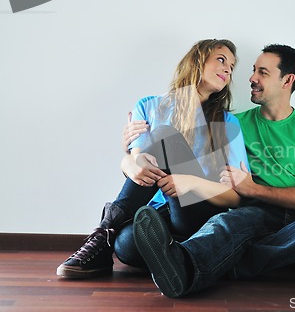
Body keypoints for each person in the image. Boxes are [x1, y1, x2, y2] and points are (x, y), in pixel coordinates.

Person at [126, 44, 295, 298]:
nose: (251, 78)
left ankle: (224, 262)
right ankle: (194, 269)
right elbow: (177, 148)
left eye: (263, 72)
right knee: (226, 223)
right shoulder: (231, 123)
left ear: (287, 80)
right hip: (253, 214)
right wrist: (131, 146)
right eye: (254, 70)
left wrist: (253, 188)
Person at [56, 39, 250, 278]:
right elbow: (138, 165)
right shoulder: (148, 106)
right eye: (221, 60)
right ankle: (177, 257)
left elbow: (237, 195)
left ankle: (103, 234)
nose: (228, 69)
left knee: (165, 136)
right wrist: (127, 161)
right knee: (125, 245)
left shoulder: (227, 123)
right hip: (158, 213)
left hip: (198, 213)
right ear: (197, 61)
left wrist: (190, 182)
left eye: (231, 66)